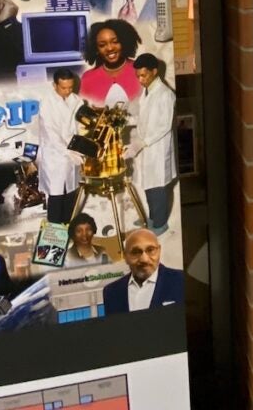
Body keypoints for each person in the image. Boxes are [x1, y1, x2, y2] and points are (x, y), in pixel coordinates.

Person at [129, 54, 176, 234]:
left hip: (157, 149)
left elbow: (164, 126)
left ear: (154, 72)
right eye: (138, 76)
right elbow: (144, 117)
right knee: (149, 185)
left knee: (158, 188)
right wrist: (127, 121)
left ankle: (160, 224)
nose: (141, 80)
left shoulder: (165, 94)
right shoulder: (148, 91)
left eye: (144, 76)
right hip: (148, 149)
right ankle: (152, 218)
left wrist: (142, 143)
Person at [38, 68, 84, 224]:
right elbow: (51, 134)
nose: (68, 91)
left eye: (70, 87)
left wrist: (80, 148)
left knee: (71, 196)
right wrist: (67, 152)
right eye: (64, 88)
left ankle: (69, 235)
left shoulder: (77, 101)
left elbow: (79, 127)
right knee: (56, 198)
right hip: (55, 157)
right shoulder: (46, 104)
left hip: (72, 157)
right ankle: (54, 242)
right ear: (54, 85)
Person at [101, 228, 184, 315]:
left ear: (159, 250)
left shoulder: (182, 280)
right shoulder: (111, 292)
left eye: (150, 250)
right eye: (136, 252)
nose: (144, 259)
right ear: (125, 257)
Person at [80, 19, 142, 106]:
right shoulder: (88, 79)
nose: (110, 48)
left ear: (124, 42)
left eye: (115, 42)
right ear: (96, 49)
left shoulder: (141, 70)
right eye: (102, 45)